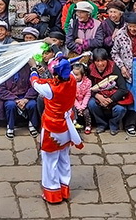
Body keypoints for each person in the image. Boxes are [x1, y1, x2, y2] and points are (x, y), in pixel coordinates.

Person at [29, 52, 82, 204]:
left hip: (53, 128)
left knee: (49, 160)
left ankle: (52, 193)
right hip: (67, 126)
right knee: (64, 157)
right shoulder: (71, 78)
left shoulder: (51, 89)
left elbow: (34, 83)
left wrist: (33, 68)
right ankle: (64, 189)